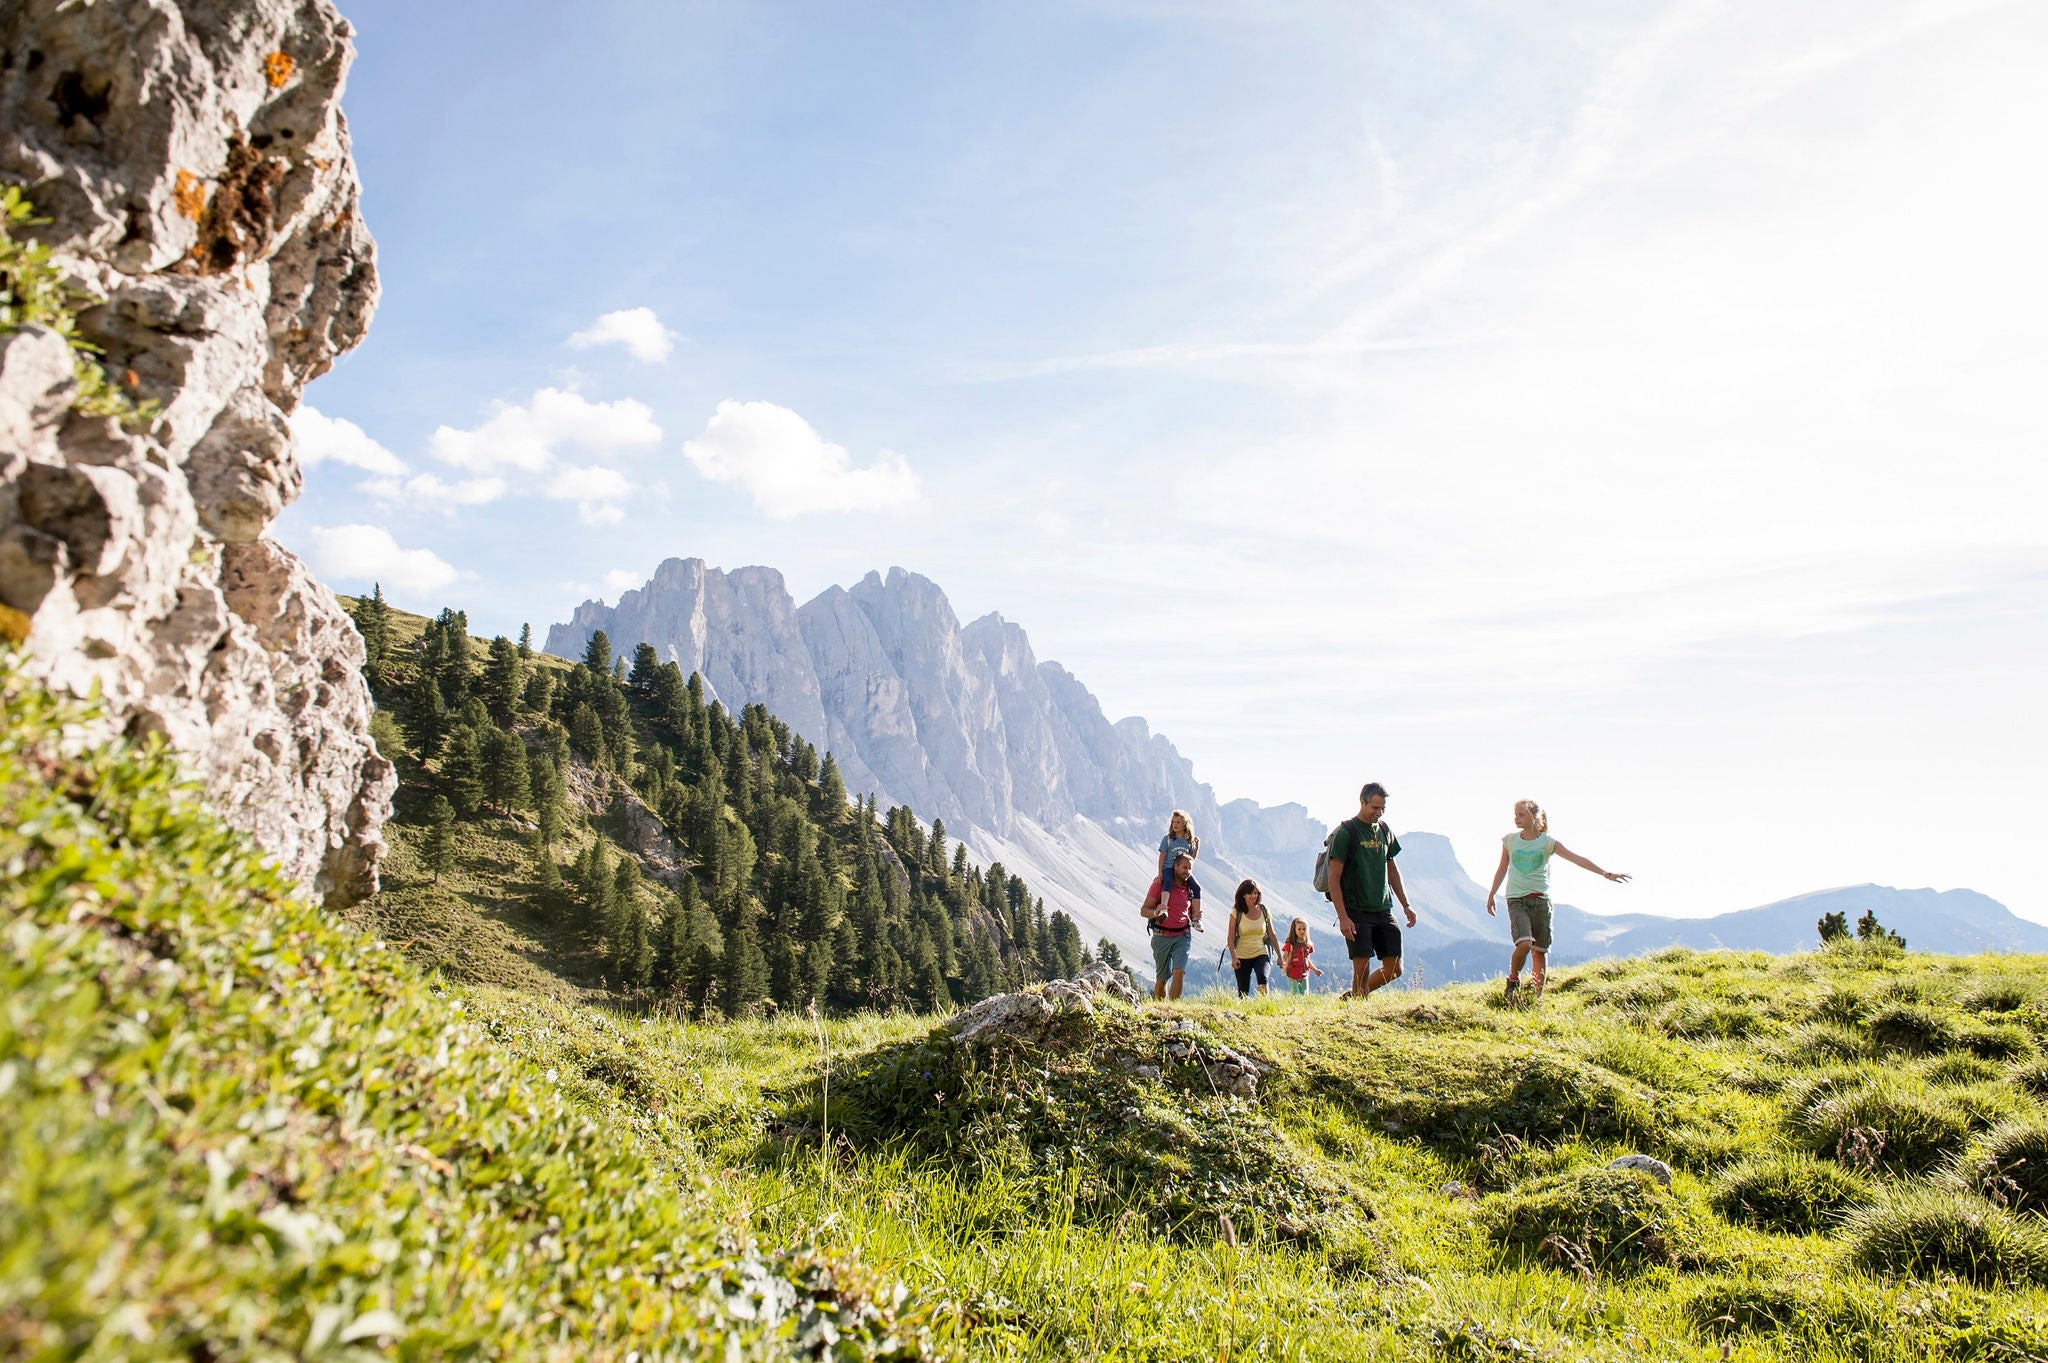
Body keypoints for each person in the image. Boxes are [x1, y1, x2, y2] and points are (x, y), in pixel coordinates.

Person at [1485, 798, 1630, 1000]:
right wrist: (1492, 893)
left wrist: (1605, 873)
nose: (1516, 818)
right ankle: (1513, 980)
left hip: (1541, 901)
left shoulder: (1547, 843)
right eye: (1515, 814)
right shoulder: (1510, 841)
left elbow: (1577, 859)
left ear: (1534, 818)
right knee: (1525, 943)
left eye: (1521, 814)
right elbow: (1502, 868)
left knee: (1539, 951)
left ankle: (1537, 998)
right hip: (1516, 899)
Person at [1326, 782, 1415, 999]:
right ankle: (1359, 1003)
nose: (1379, 812)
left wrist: (1406, 905)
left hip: (1383, 908)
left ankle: (1353, 996)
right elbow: (1333, 878)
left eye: (1382, 808)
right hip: (1356, 910)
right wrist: (1343, 918)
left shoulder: (1385, 830)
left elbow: (1391, 868)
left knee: (1395, 968)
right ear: (1362, 802)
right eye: (1375, 807)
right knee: (1362, 968)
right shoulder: (1346, 833)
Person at [1141, 851, 1204, 999]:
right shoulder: (1159, 885)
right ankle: (1160, 1009)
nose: (1187, 872)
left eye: (1190, 869)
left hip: (1182, 935)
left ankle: (1174, 1008)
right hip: (1161, 936)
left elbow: (1189, 910)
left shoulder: (1189, 888)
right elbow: (1143, 911)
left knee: (1179, 971)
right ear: (1175, 866)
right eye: (1184, 867)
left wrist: (1196, 916)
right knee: (1162, 978)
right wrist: (1156, 913)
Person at [1227, 880, 1280, 997]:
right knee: (1243, 992)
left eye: (1256, 893)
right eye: (1250, 893)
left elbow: (1272, 934)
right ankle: (1245, 1012)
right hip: (1242, 956)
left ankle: (1264, 1006)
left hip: (1260, 953)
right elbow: (1230, 938)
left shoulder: (1264, 910)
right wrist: (1234, 958)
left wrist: (1280, 957)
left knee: (1263, 977)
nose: (1253, 896)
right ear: (1243, 895)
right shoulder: (1236, 912)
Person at [1279, 917, 1322, 995]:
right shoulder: (1290, 944)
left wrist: (1315, 970)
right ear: (1294, 930)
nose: (1302, 931)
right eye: (1299, 929)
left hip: (1304, 973)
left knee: (1304, 994)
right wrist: (1284, 964)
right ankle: (1294, 1006)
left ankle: (1302, 1006)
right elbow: (1285, 956)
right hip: (1292, 973)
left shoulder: (1307, 944)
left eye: (1304, 929)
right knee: (1295, 994)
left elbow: (1308, 960)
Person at [1158, 811, 1199, 888]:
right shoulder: (1167, 839)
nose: (1175, 824)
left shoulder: (1188, 842)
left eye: (1178, 822)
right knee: (1168, 883)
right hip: (1169, 868)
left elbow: (1191, 860)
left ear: (1184, 824)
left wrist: (1196, 848)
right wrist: (1160, 873)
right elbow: (1162, 856)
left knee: (1196, 887)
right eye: (1173, 822)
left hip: (1182, 872)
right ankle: (1164, 900)